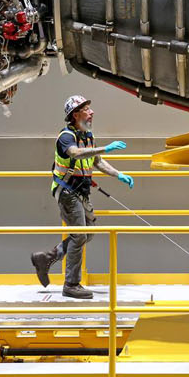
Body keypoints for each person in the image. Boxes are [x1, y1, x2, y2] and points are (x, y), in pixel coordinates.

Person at [30, 95, 135, 299]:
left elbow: (97, 161)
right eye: (87, 109)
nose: (92, 112)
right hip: (67, 192)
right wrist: (106, 147)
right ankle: (71, 284)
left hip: (81, 192)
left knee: (88, 234)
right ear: (75, 114)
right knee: (80, 235)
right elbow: (76, 154)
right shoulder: (66, 136)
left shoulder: (88, 135)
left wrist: (118, 174)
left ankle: (47, 258)